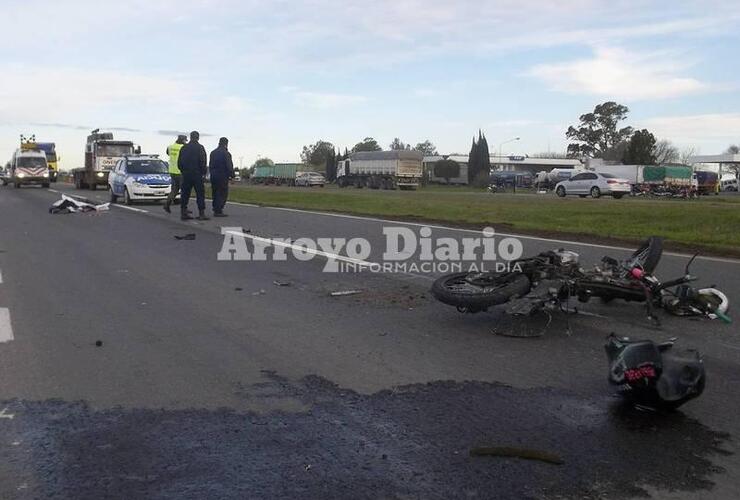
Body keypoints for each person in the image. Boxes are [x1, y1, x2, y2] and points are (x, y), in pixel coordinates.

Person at [177, 130, 209, 221]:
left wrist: (183, 171)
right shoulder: (200, 148)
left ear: (190, 137)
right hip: (197, 174)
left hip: (186, 174)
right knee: (200, 194)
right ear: (198, 138)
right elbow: (203, 161)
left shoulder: (184, 148)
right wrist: (203, 172)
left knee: (185, 194)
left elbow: (179, 162)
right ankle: (201, 213)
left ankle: (183, 212)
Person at [209, 137, 235, 217]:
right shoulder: (226, 153)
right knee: (223, 193)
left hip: (213, 175)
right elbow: (229, 166)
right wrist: (232, 176)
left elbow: (210, 165)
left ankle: (215, 207)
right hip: (223, 176)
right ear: (226, 144)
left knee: (215, 192)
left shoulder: (213, 153)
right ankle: (218, 210)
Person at [163, 134, 187, 213]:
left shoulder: (170, 147)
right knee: (184, 191)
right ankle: (184, 209)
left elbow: (168, 153)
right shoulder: (183, 148)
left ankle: (167, 204)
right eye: (185, 141)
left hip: (172, 171)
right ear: (182, 140)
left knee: (174, 190)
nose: (185, 142)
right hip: (180, 171)